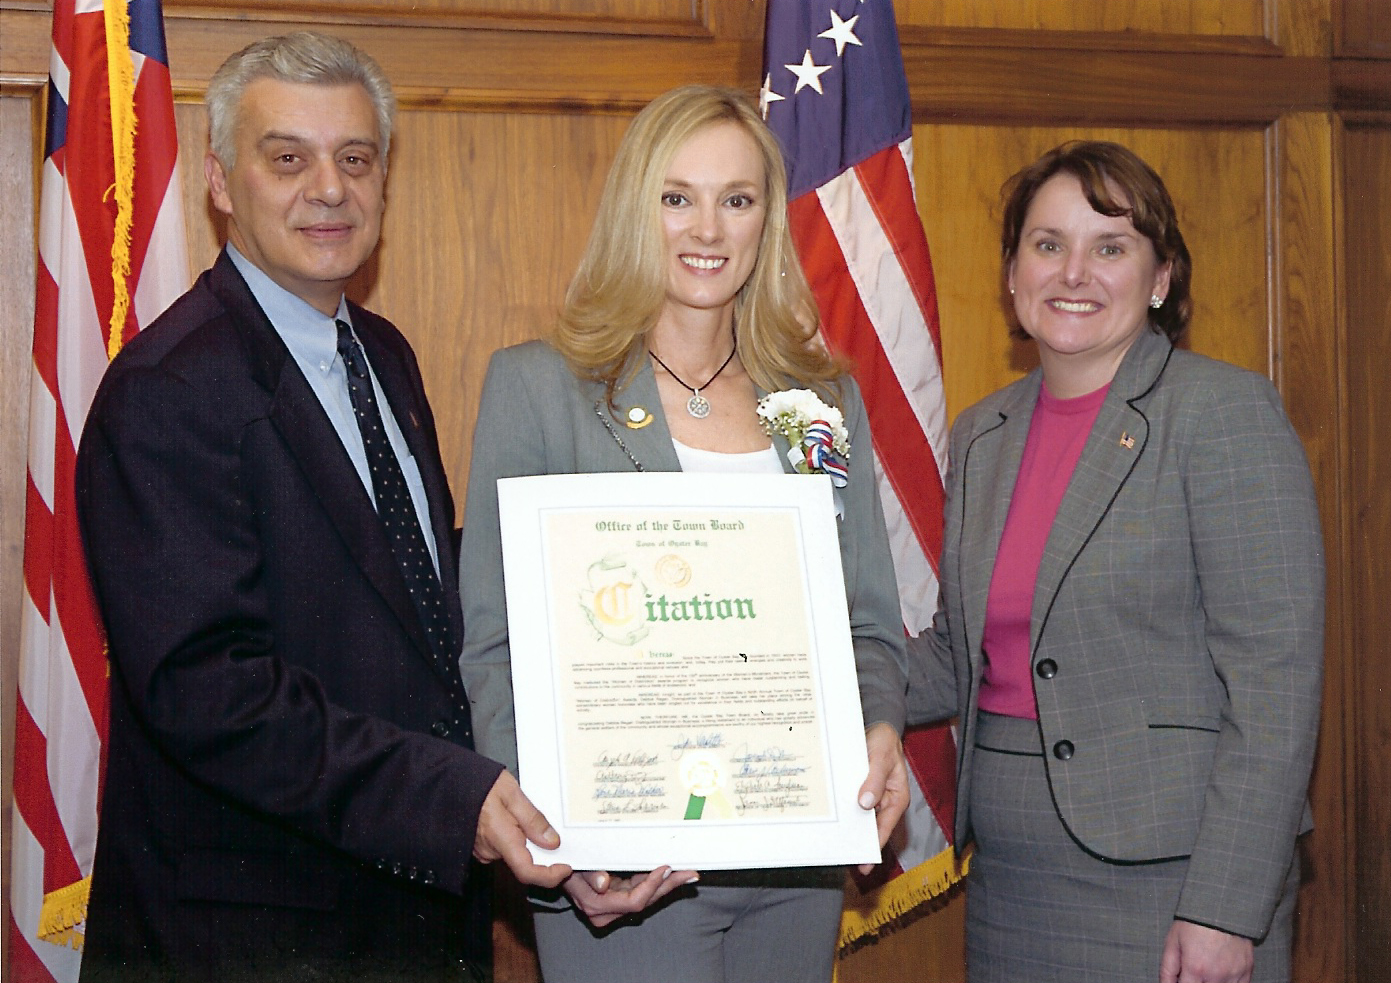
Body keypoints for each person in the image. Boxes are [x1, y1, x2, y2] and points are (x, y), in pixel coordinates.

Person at [75, 32, 570, 982]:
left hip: (409, 918)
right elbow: (209, 691)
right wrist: (450, 799)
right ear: (221, 182)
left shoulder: (383, 354)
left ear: (383, 179)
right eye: (288, 158)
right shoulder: (170, 390)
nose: (330, 188)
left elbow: (408, 601)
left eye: (355, 158)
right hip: (250, 936)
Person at [457, 84, 910, 983]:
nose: (707, 229)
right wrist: (562, 844)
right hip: (627, 875)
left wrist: (881, 726)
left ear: (764, 222)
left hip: (796, 858)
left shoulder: (812, 405)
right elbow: (495, 644)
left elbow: (863, 624)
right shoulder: (543, 389)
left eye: (736, 200)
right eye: (677, 198)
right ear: (637, 209)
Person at [907, 140, 1324, 983]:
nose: (1074, 273)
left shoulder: (1220, 415)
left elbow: (1275, 685)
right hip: (1011, 885)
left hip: (1173, 881)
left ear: (1160, 276)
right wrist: (783, 656)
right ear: (1012, 274)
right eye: (1047, 244)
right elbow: (959, 652)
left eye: (1111, 247)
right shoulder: (983, 435)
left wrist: (1223, 906)